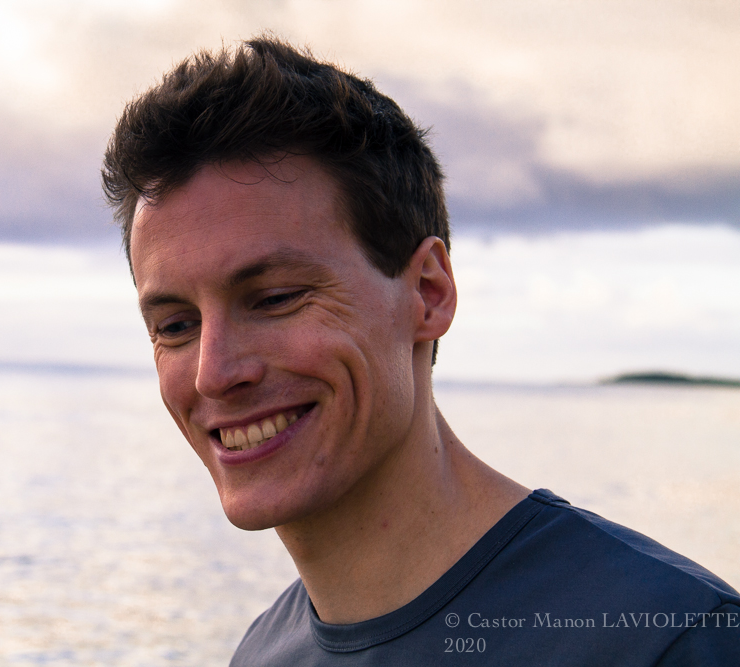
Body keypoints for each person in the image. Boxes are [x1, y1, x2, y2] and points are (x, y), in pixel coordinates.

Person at [102, 37, 739, 665]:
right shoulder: (263, 652)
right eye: (176, 326)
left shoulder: (670, 639)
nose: (214, 373)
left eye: (275, 299)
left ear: (428, 293)